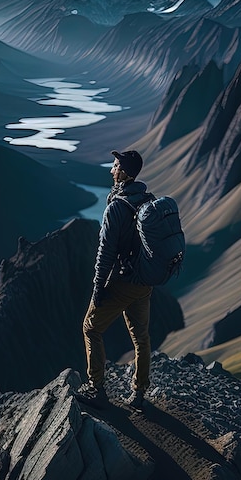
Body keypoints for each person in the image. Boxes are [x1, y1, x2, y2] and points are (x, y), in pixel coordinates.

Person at [76, 149, 153, 412]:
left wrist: (98, 285)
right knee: (141, 337)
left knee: (91, 328)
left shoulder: (117, 207)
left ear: (124, 173)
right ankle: (139, 392)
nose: (111, 169)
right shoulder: (146, 199)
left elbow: (105, 251)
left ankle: (96, 388)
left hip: (122, 280)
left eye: (115, 165)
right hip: (144, 281)